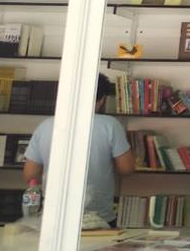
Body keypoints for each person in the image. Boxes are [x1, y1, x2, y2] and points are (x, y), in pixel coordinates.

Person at [23, 74, 135, 227]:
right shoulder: (110, 125)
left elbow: (30, 174)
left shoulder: (45, 126)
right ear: (102, 99)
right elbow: (126, 168)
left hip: (53, 216)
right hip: (97, 217)